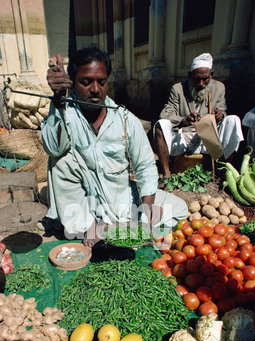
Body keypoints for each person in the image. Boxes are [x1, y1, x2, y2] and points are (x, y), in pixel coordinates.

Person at [40, 45, 188, 247]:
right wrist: (58, 99)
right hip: (83, 202)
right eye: (86, 82)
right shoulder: (66, 112)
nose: (95, 89)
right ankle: (90, 226)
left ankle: (121, 224)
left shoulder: (125, 119)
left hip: (121, 199)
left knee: (178, 208)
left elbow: (145, 166)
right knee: (61, 158)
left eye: (101, 82)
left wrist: (146, 211)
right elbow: (53, 148)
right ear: (72, 83)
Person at [154, 53, 244, 179]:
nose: (201, 83)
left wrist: (220, 115)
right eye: (196, 79)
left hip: (209, 138)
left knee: (233, 120)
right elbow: (165, 114)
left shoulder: (219, 88)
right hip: (184, 137)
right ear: (190, 75)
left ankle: (226, 171)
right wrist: (183, 120)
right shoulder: (178, 89)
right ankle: (166, 173)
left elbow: (222, 109)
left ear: (211, 75)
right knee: (160, 125)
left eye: (205, 79)